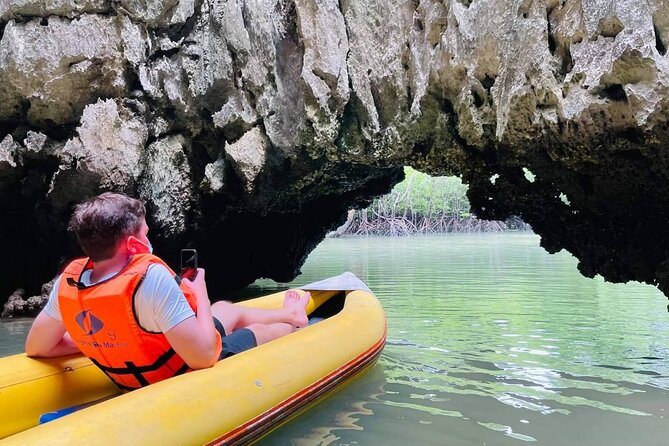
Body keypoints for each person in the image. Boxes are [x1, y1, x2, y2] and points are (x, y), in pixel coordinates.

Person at [25, 192, 310, 391]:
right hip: (177, 375)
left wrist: (100, 340)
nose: (149, 239)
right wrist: (200, 293)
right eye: (145, 233)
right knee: (260, 330)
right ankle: (293, 327)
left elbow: (38, 346)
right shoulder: (151, 278)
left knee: (225, 309)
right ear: (134, 245)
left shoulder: (70, 282)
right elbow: (203, 357)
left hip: (141, 364)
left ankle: (291, 312)